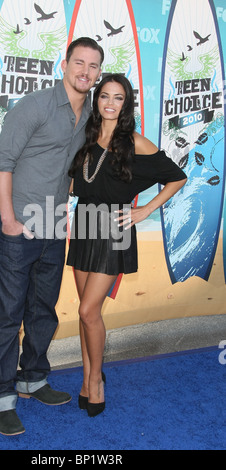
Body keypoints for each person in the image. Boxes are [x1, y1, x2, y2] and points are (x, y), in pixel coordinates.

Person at [0, 37, 104, 436]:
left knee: (43, 310)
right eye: (79, 63)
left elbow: (69, 167)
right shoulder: (35, 105)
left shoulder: (89, 114)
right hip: (18, 229)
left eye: (93, 67)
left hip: (53, 227)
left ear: (98, 73)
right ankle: (2, 395)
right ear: (64, 64)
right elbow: (2, 163)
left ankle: (32, 378)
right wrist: (9, 221)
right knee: (8, 316)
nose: (85, 72)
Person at [67, 74, 187, 417]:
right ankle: (90, 375)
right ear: (97, 100)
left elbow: (177, 177)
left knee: (89, 311)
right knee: (84, 312)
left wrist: (145, 210)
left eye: (117, 98)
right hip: (85, 224)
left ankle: (96, 382)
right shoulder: (85, 137)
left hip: (114, 229)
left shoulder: (135, 142)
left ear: (126, 104)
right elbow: (77, 184)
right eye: (104, 96)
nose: (109, 103)